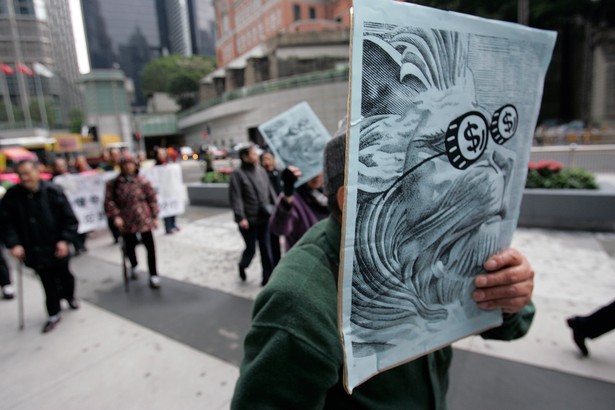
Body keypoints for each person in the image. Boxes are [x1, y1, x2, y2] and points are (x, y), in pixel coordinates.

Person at [231, 126, 536, 408]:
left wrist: (510, 296)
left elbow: (509, 324)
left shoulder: (432, 244)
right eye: (435, 159)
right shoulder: (300, 302)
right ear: (355, 200)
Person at [1, 160, 80, 333]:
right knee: (47, 282)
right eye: (20, 174)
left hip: (57, 247)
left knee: (65, 276)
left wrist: (64, 240)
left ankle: (69, 296)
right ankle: (54, 312)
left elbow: (69, 219)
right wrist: (14, 244)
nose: (24, 178)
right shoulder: (12, 197)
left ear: (38, 172)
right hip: (34, 250)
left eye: (27, 173)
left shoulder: (53, 192)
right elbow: (7, 224)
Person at [104, 155, 161, 289]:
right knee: (130, 245)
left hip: (144, 218)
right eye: (125, 164)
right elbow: (109, 202)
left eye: (130, 163)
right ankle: (134, 265)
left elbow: (152, 199)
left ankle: (153, 274)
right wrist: (116, 216)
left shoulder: (143, 181)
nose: (128, 167)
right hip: (126, 219)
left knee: (150, 247)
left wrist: (155, 216)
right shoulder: (114, 183)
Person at [229, 144, 276, 286]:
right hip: (248, 220)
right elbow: (235, 197)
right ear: (245, 157)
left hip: (264, 217)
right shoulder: (238, 174)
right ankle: (242, 265)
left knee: (266, 249)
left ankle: (267, 278)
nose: (256, 156)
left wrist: (277, 209)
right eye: (253, 154)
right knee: (251, 249)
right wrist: (240, 217)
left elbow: (270, 191)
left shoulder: (261, 171)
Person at [269, 166, 329, 251]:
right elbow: (279, 229)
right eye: (311, 171)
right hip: (305, 257)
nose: (316, 175)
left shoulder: (329, 192)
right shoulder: (294, 197)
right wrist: (288, 196)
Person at [260, 151, 281, 266]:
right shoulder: (261, 175)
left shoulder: (279, 173)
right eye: (264, 159)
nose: (266, 162)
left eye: (269, 159)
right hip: (269, 213)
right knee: (271, 243)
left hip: (282, 211)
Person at [155, 148, 180, 234]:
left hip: (171, 190)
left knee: (173, 208)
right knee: (165, 210)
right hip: (163, 192)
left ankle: (173, 224)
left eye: (162, 154)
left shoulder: (170, 164)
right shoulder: (156, 166)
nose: (161, 156)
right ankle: (168, 227)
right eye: (159, 154)